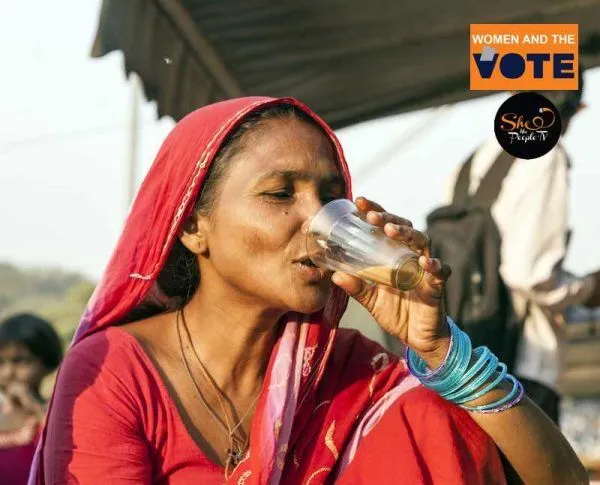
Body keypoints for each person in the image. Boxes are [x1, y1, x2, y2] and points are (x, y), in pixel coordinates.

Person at [30, 97, 586, 485]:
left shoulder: (356, 376)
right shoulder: (115, 373)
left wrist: (443, 352)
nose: (318, 222)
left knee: (429, 417)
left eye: (331, 196)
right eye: (279, 194)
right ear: (194, 227)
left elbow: (560, 479)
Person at [442, 74, 600, 425]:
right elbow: (530, 275)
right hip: (523, 365)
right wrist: (588, 289)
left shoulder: (469, 164)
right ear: (578, 110)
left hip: (466, 363)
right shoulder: (547, 155)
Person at [0, 313, 63, 485]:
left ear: (47, 364)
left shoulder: (55, 415)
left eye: (20, 361)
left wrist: (35, 410)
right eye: (0, 363)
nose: (8, 372)